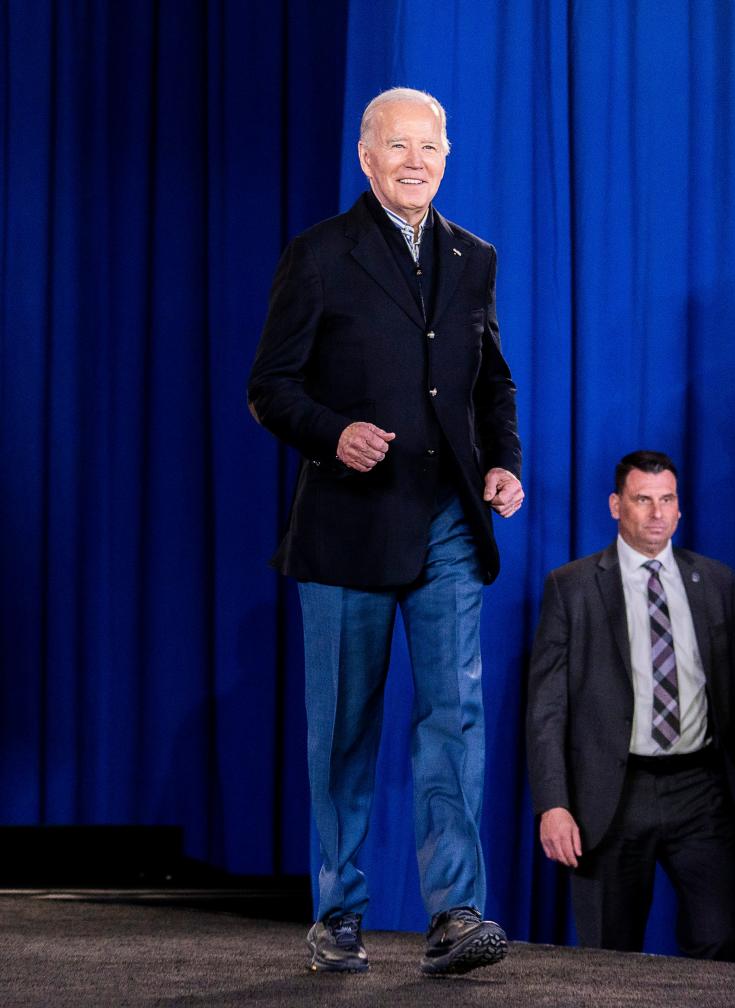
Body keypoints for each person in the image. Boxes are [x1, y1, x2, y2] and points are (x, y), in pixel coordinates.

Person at [247, 87, 522, 975]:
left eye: (430, 147)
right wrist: (332, 433)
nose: (415, 161)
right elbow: (270, 386)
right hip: (347, 531)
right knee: (344, 733)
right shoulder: (321, 255)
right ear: (366, 157)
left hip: (445, 520)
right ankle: (339, 911)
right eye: (397, 146)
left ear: (448, 158)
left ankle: (455, 915)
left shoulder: (472, 257)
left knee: (455, 717)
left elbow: (492, 383)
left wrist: (503, 461)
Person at [526, 451, 735, 959]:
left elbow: (733, 694)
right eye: (642, 500)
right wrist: (553, 803)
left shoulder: (717, 582)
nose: (656, 513)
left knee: (720, 941)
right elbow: (547, 709)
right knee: (611, 956)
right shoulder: (572, 587)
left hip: (700, 792)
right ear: (616, 505)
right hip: (614, 794)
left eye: (667, 500)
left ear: (680, 509)